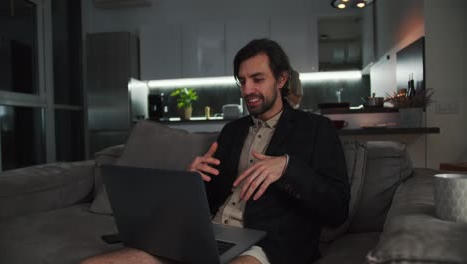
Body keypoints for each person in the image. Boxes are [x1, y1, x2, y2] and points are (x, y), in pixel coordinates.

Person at [81, 39, 349, 264]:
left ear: (281, 79)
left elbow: (337, 209)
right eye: (242, 81)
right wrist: (192, 182)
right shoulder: (232, 131)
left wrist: (288, 168)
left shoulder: (316, 129)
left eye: (257, 79)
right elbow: (210, 199)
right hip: (209, 234)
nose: (248, 90)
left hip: (269, 243)